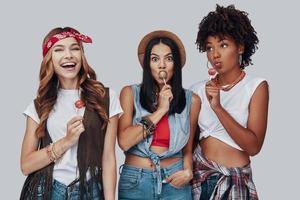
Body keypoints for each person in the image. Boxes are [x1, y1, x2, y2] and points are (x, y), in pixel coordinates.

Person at [20, 27, 122, 199]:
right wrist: (66, 141)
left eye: (74, 48)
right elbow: (26, 165)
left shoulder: (105, 97)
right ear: (49, 59)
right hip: (47, 191)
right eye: (59, 50)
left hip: (90, 191)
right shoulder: (39, 105)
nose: (68, 55)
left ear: (82, 55)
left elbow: (109, 157)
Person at [190, 5, 269, 200]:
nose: (215, 54)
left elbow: (253, 147)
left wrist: (217, 107)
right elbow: (188, 143)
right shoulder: (197, 90)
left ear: (240, 47)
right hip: (200, 179)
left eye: (223, 45)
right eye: (209, 47)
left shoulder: (256, 86)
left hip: (235, 181)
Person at [117, 30, 200, 200]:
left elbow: (188, 149)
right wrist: (160, 110)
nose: (162, 65)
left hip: (175, 181)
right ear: (148, 64)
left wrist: (188, 171)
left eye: (168, 59)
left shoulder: (192, 100)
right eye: (155, 59)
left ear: (175, 64)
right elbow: (124, 142)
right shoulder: (130, 94)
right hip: (136, 181)